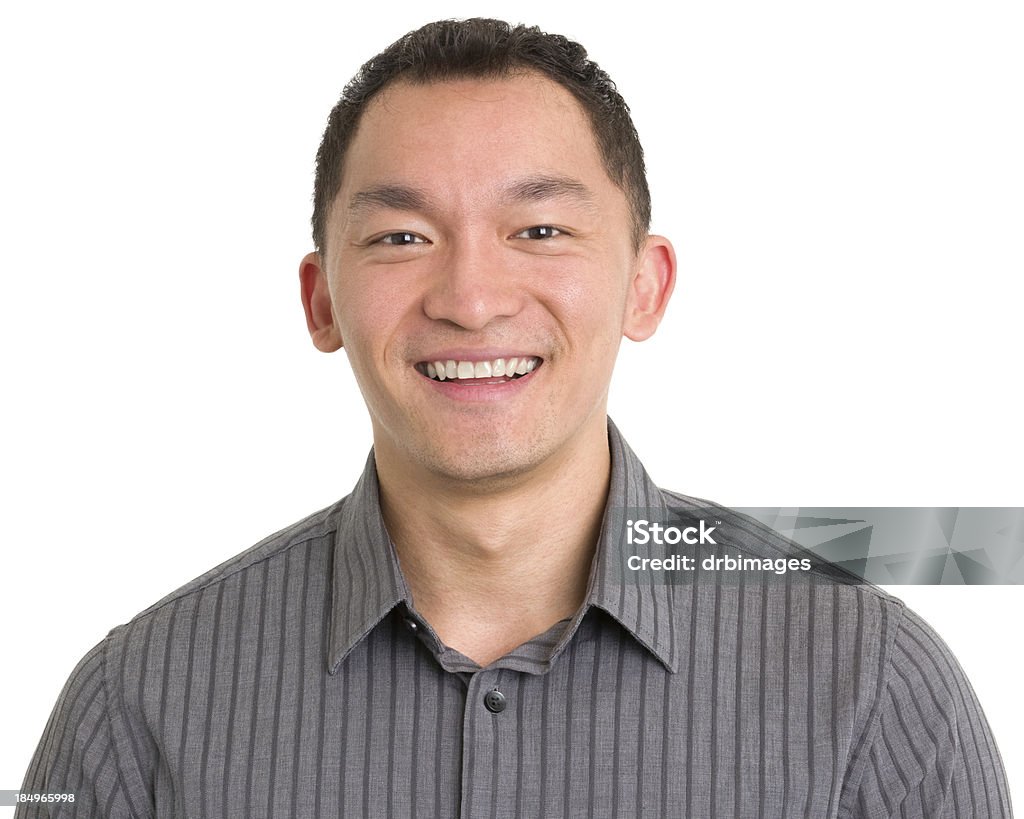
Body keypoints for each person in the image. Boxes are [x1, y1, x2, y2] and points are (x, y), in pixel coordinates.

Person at [16, 18, 1012, 818]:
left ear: (644, 285)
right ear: (322, 301)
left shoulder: (869, 687)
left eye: (539, 229)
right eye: (402, 236)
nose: (472, 296)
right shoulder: (139, 704)